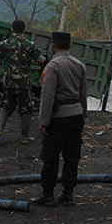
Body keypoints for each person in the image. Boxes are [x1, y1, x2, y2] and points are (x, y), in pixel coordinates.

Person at [31, 31, 87, 207]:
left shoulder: (52, 66)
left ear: (53, 45)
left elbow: (47, 96)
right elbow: (83, 94)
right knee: (72, 156)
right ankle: (68, 194)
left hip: (59, 117)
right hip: (76, 115)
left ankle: (48, 194)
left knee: (50, 156)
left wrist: (43, 121)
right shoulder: (79, 65)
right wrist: (83, 115)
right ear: (70, 45)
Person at [0, 19, 46, 143]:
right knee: (26, 109)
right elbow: (41, 61)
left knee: (5, 105)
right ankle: (25, 137)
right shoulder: (29, 44)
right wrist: (40, 71)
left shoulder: (4, 44)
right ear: (24, 30)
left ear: (12, 29)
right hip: (24, 83)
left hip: (8, 82)